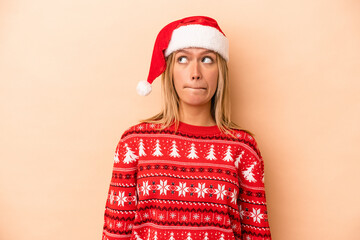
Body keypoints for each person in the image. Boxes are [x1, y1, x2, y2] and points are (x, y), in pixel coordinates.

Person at [102, 16, 272, 240]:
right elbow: (116, 232)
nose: (195, 73)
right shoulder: (135, 143)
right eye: (183, 59)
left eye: (207, 60)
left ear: (220, 71)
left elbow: (257, 235)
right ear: (170, 70)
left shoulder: (243, 148)